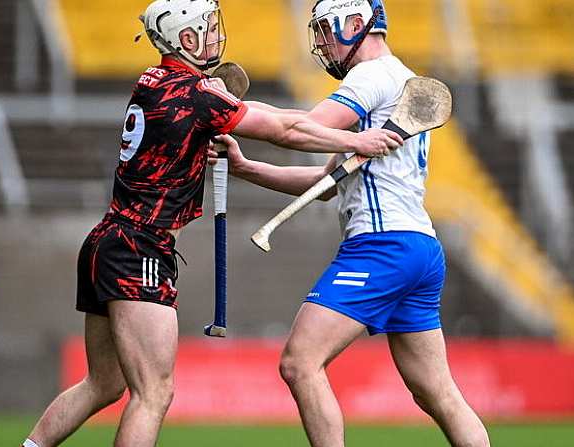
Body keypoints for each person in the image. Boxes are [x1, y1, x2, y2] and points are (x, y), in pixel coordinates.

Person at [21, 1, 403, 446]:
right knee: (153, 392)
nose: (215, 36)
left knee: (104, 384)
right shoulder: (196, 93)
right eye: (206, 29)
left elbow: (226, 117)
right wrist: (358, 139)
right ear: (185, 39)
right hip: (142, 249)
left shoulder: (155, 82)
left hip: (107, 242)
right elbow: (285, 129)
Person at [209, 1, 491, 445]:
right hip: (419, 248)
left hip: (382, 248)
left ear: (356, 24)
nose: (320, 43)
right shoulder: (400, 80)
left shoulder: (371, 77)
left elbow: (300, 129)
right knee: (439, 394)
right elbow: (325, 184)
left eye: (325, 30)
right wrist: (246, 168)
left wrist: (220, 107)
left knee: (299, 363)